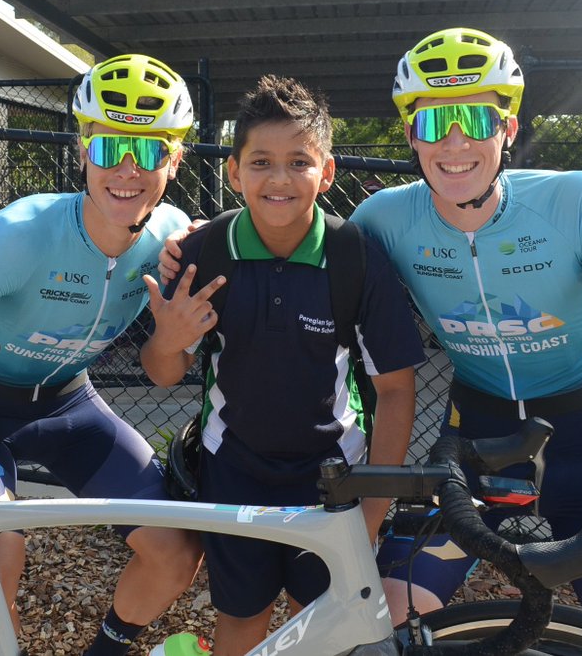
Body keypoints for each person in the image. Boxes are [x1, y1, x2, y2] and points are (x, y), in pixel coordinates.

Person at [346, 28, 582, 644]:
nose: (454, 143)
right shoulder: (383, 217)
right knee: (382, 614)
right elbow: (297, 259)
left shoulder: (575, 198)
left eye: (475, 119)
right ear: (410, 136)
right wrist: (196, 242)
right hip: (473, 443)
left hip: (581, 441)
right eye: (434, 124)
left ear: (507, 129)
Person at [0, 54, 206, 656]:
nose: (127, 170)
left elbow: (165, 370)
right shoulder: (19, 234)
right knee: (1, 553)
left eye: (150, 150)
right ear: (83, 149)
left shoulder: (173, 236)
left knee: (176, 551)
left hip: (69, 404)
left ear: (175, 159)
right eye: (109, 149)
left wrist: (177, 333)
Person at [140, 76, 425, 656]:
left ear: (326, 173)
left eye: (299, 161)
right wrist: (167, 341)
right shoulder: (203, 252)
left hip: (331, 477)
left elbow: (395, 389)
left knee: (317, 628)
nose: (278, 178)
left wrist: (373, 508)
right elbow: (163, 372)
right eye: (261, 161)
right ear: (234, 172)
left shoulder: (355, 258)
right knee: (240, 623)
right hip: (233, 471)